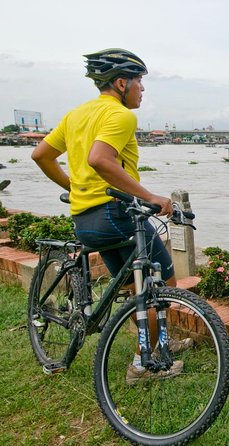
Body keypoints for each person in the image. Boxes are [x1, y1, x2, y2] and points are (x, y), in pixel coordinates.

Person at [31, 48, 191, 383]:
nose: (143, 89)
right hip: (116, 214)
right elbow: (99, 159)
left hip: (86, 221)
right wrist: (149, 196)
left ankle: (158, 344)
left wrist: (73, 187)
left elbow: (41, 155)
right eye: (139, 82)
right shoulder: (121, 116)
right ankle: (142, 365)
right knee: (163, 285)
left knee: (139, 289)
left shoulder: (76, 115)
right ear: (121, 83)